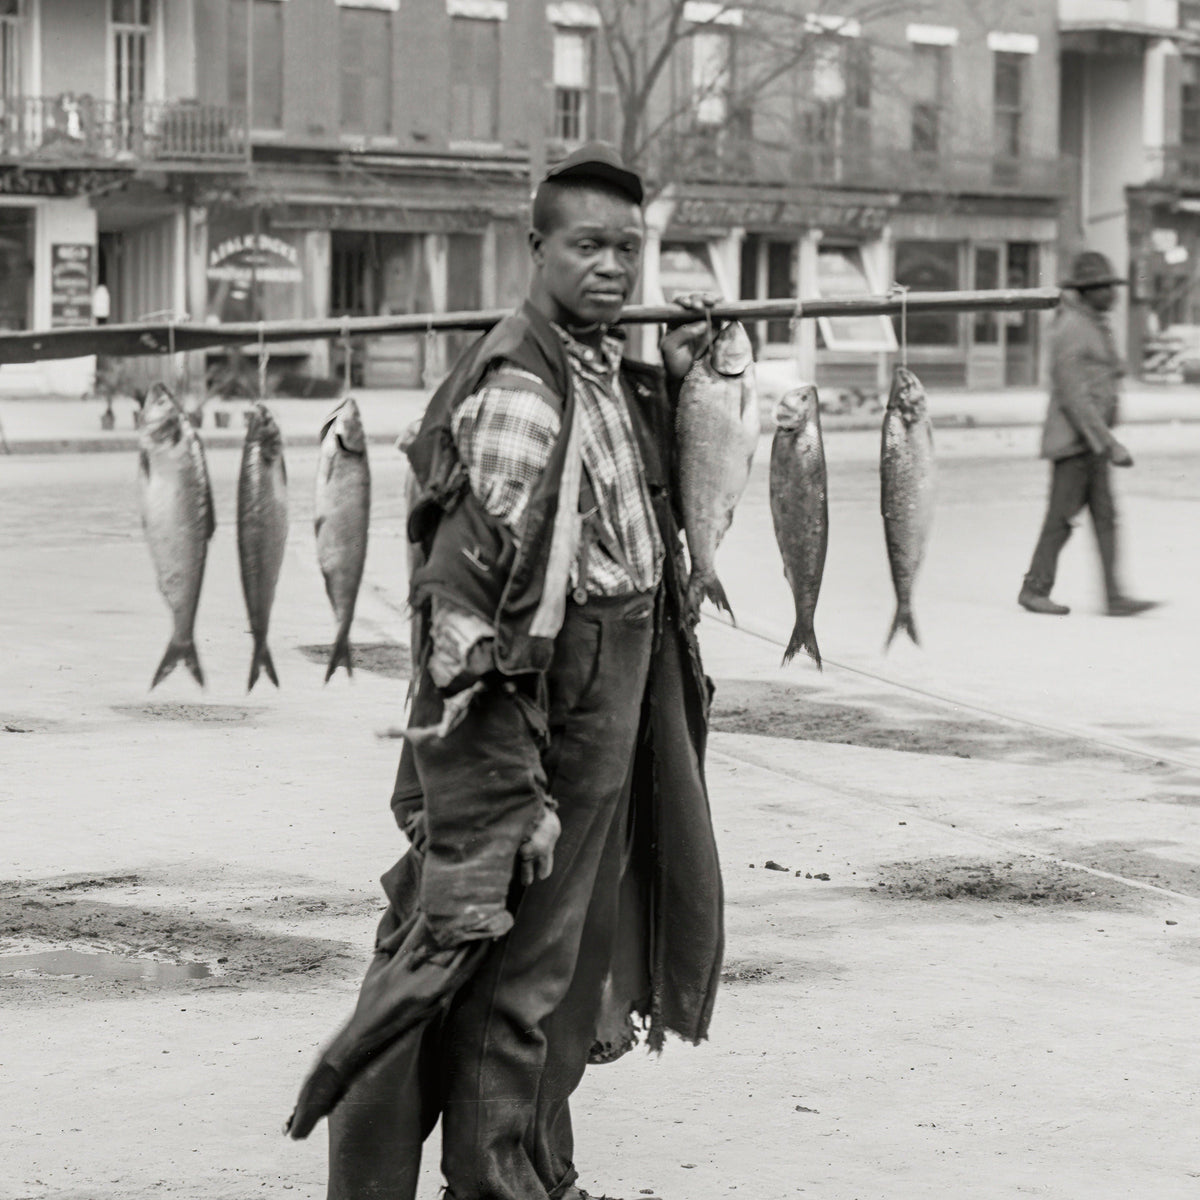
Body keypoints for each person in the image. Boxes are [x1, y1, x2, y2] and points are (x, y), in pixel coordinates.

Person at [289, 142, 725, 1200]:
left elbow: (628, 518)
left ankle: (539, 1165)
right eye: (588, 246)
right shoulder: (522, 392)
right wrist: (508, 795)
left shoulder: (590, 365)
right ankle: (492, 1183)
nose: (613, 267)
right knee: (510, 979)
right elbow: (463, 615)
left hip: (606, 701)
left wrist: (681, 378)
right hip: (545, 722)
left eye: (628, 248)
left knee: (562, 966)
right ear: (537, 247)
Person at [1018, 250, 1159, 617]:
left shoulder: (1093, 323)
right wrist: (1109, 444)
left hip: (1090, 442)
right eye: (1103, 287)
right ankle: (1034, 589)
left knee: (1105, 517)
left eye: (1111, 286)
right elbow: (1074, 396)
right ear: (1086, 291)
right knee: (1061, 518)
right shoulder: (1072, 328)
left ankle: (1114, 596)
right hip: (1074, 443)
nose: (1112, 293)